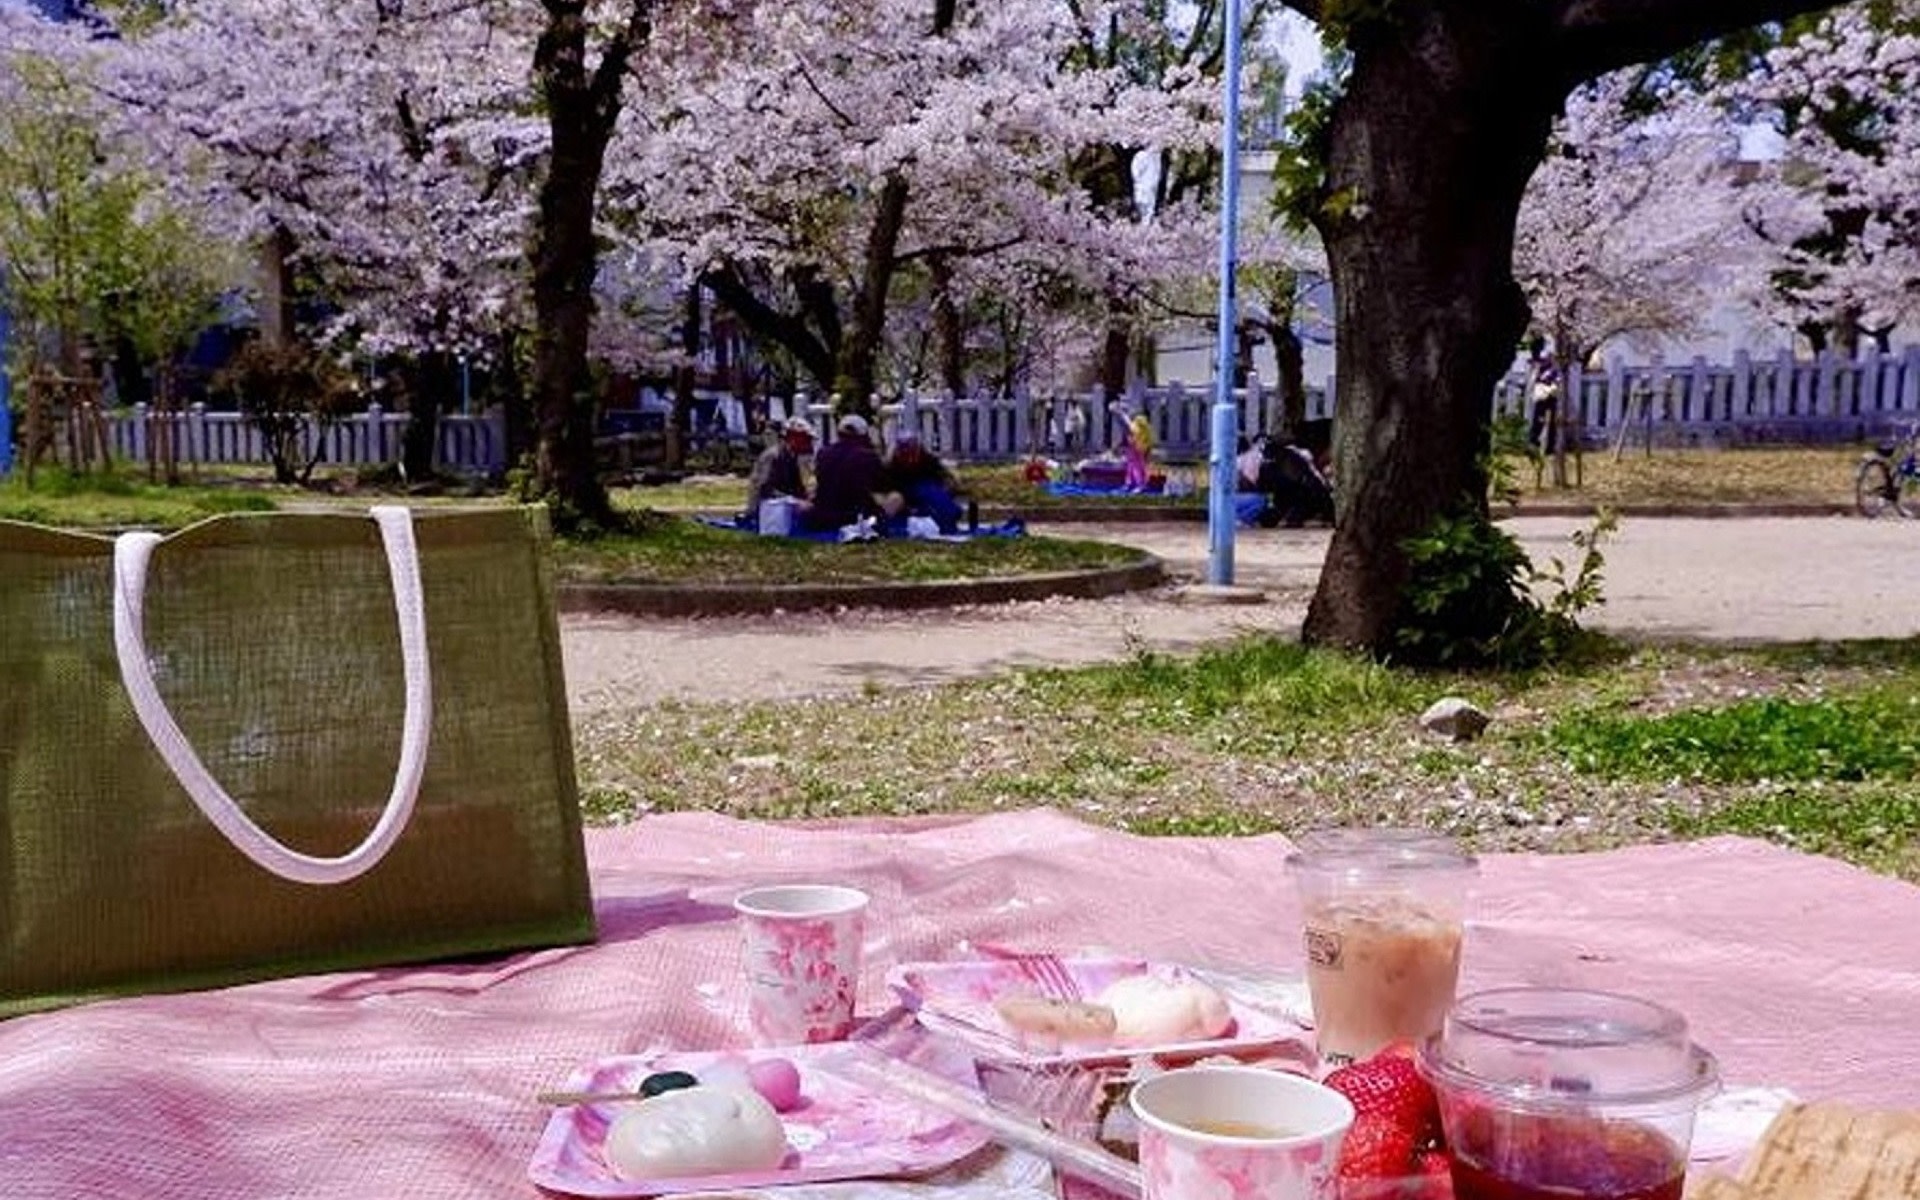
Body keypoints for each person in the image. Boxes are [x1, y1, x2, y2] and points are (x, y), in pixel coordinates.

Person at [805, 413, 901, 532]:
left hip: (823, 516)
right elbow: (883, 487)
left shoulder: (823, 453)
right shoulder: (868, 457)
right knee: (895, 498)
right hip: (858, 517)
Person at [885, 430, 966, 533]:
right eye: (904, 450)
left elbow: (945, 479)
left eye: (911, 448)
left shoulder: (928, 462)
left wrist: (950, 485)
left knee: (928, 490)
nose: (908, 455)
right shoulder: (892, 466)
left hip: (927, 495)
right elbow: (887, 487)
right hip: (904, 497)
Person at [744, 416, 816, 525]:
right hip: (766, 511)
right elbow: (765, 488)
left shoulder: (791, 456)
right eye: (804, 439)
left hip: (781, 507)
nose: (808, 443)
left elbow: (797, 487)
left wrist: (809, 498)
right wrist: (794, 501)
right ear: (792, 438)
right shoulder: (772, 456)